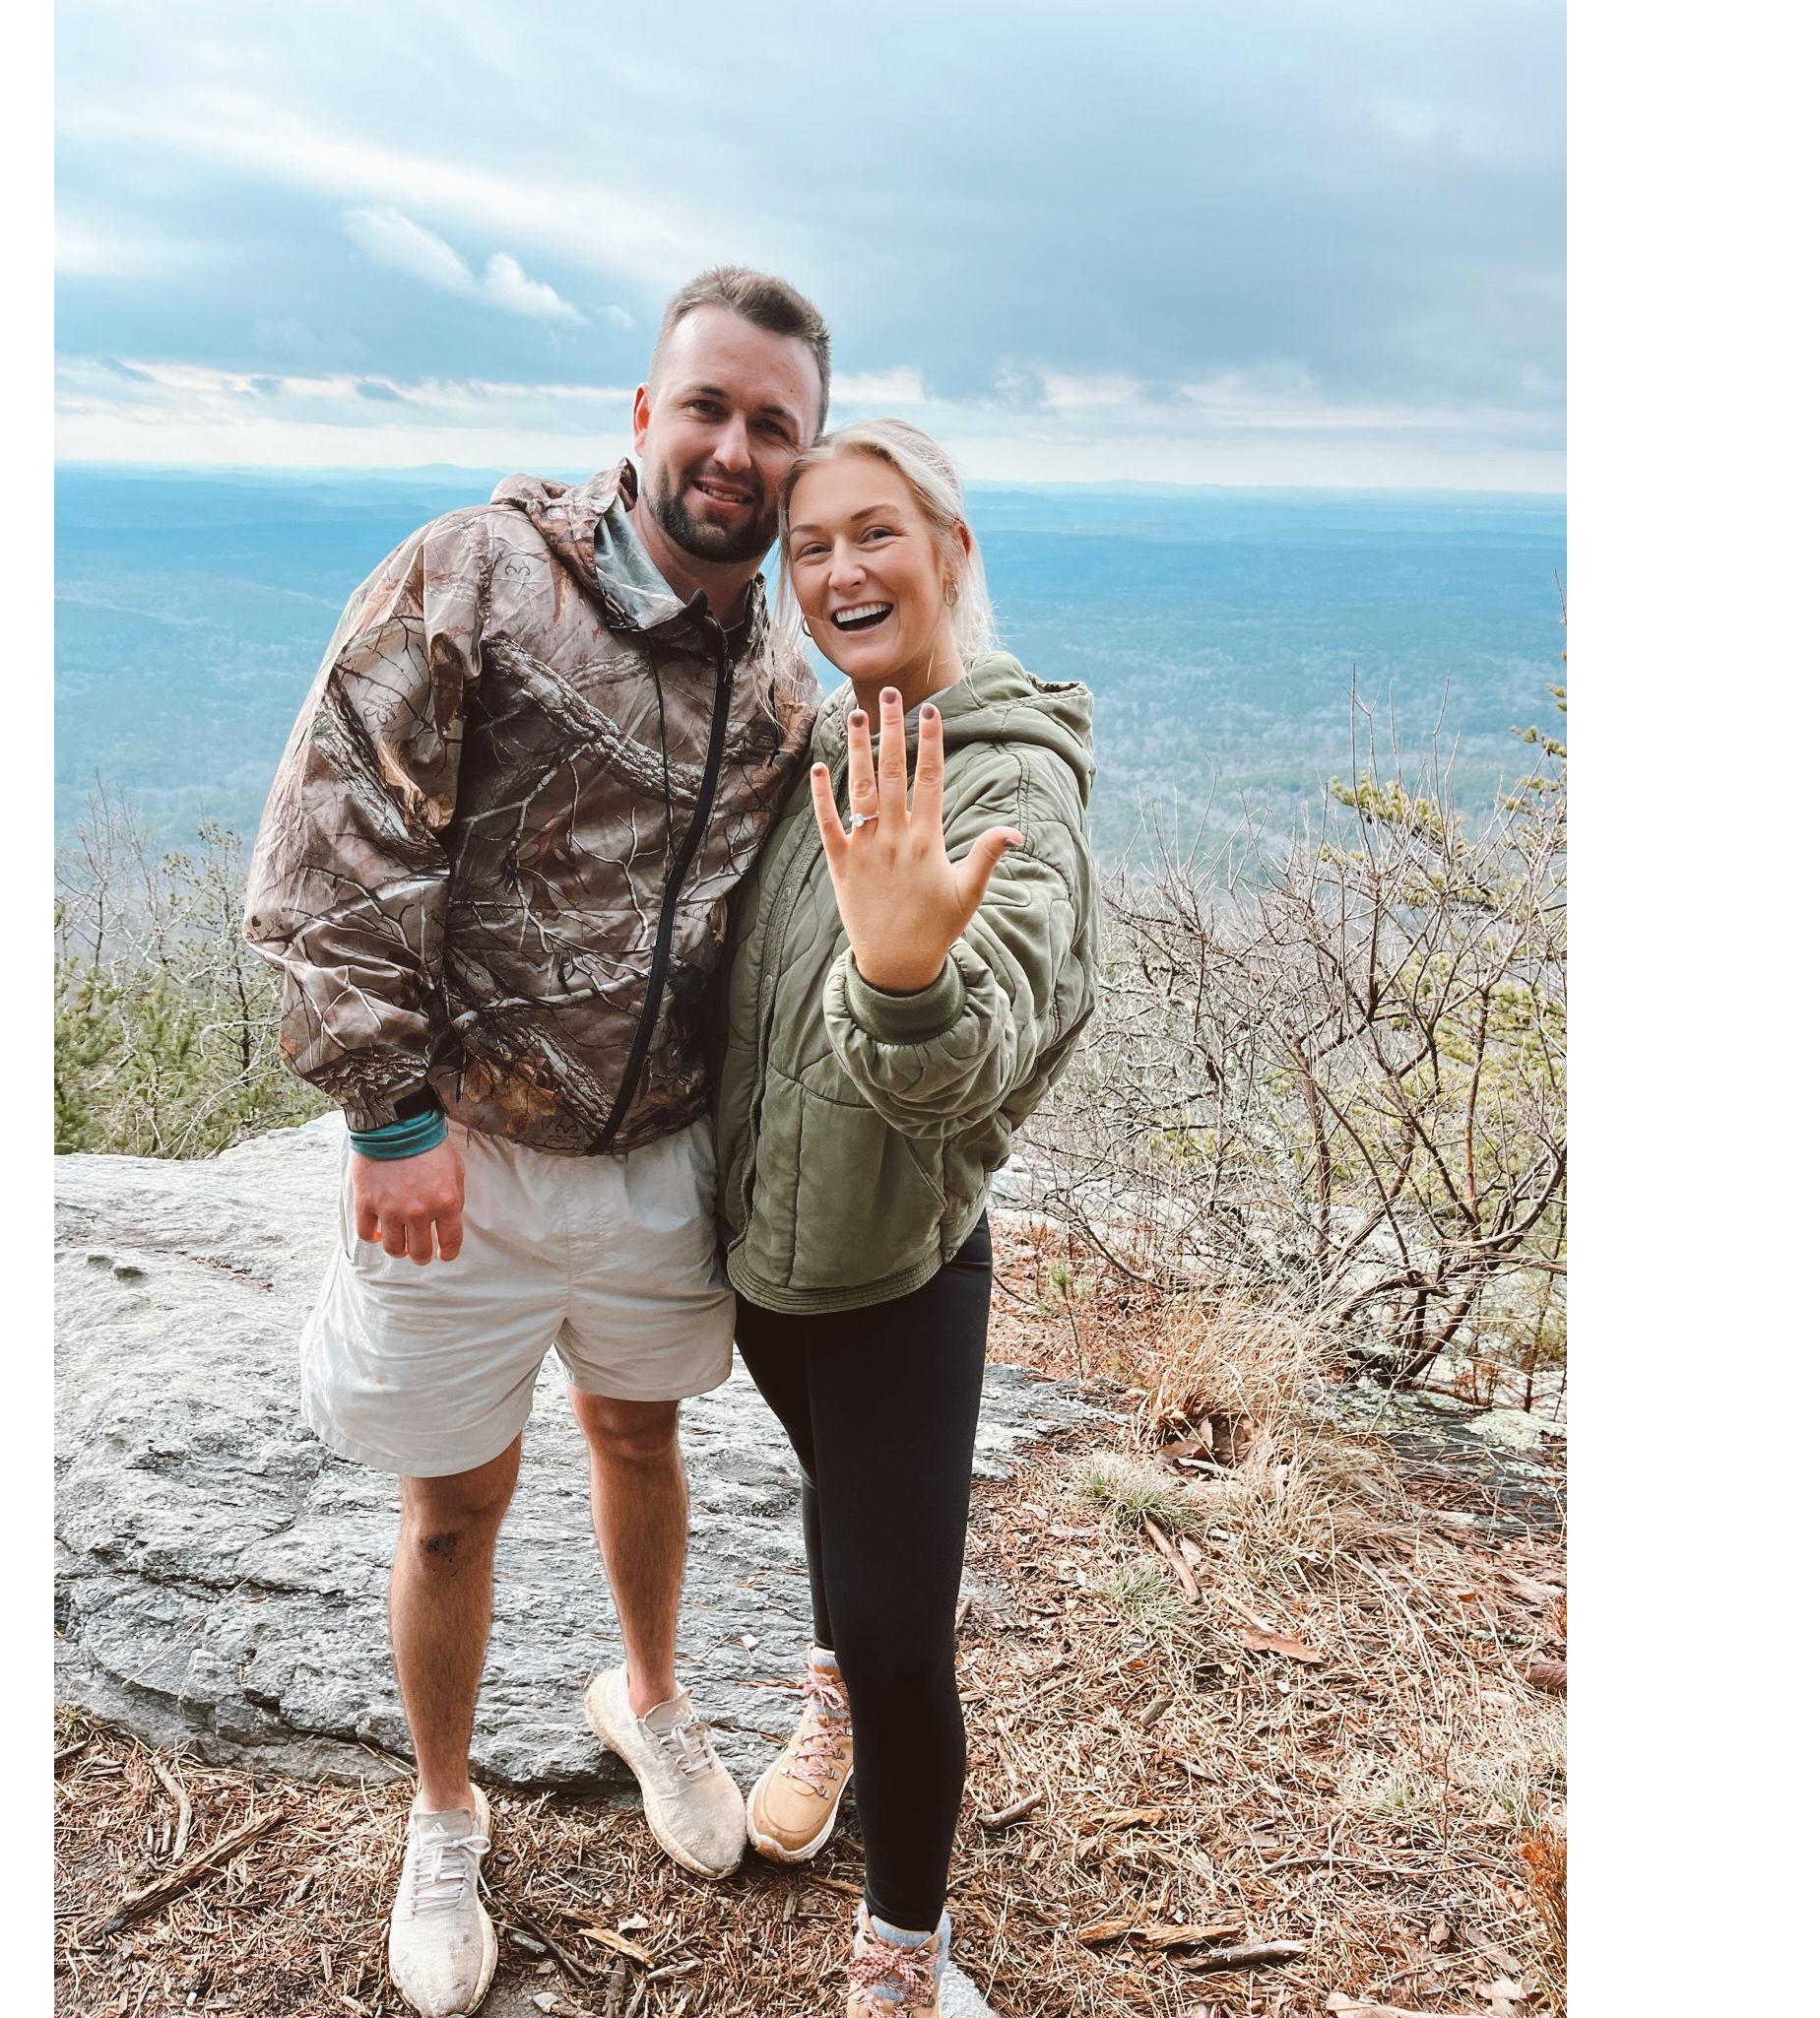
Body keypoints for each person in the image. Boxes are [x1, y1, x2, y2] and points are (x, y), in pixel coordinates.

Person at [243, 267, 830, 2018]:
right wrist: (389, 1109)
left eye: (774, 424)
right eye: (708, 406)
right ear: (642, 419)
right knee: (454, 1504)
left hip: (655, 1165)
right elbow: (330, 838)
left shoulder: (779, 669)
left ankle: (645, 1699)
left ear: (803, 460)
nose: (736, 447)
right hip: (461, 1160)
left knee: (641, 1439)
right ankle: (443, 1815)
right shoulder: (481, 575)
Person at [711, 420, 1100, 2015]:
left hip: (891, 1276)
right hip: (770, 1265)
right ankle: (827, 1694)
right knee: (837, 1506)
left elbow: (983, 1049)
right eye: (809, 547)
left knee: (896, 1629)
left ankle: (904, 1955)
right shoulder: (822, 744)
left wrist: (904, 970)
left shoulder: (1005, 778)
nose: (839, 570)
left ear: (949, 546)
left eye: (874, 533)